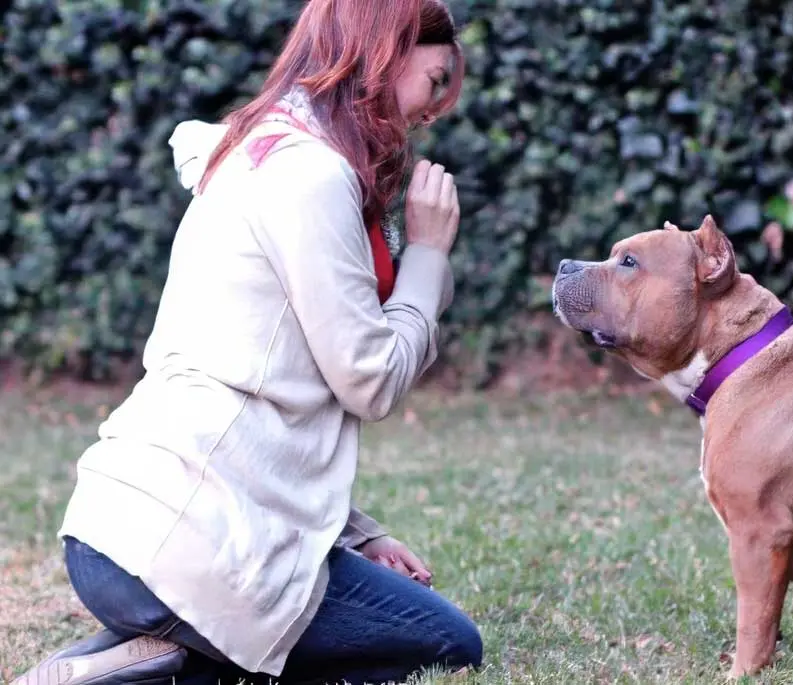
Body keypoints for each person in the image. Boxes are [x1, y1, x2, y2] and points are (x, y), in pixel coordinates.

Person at [12, 0, 483, 683]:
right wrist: (429, 255)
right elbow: (372, 379)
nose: (435, 108)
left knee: (339, 628)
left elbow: (261, 395)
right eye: (435, 81)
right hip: (183, 548)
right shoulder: (312, 177)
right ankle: (163, 665)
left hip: (111, 534)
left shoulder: (255, 149)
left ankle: (133, 655)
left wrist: (356, 532)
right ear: (386, 51)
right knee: (442, 641)